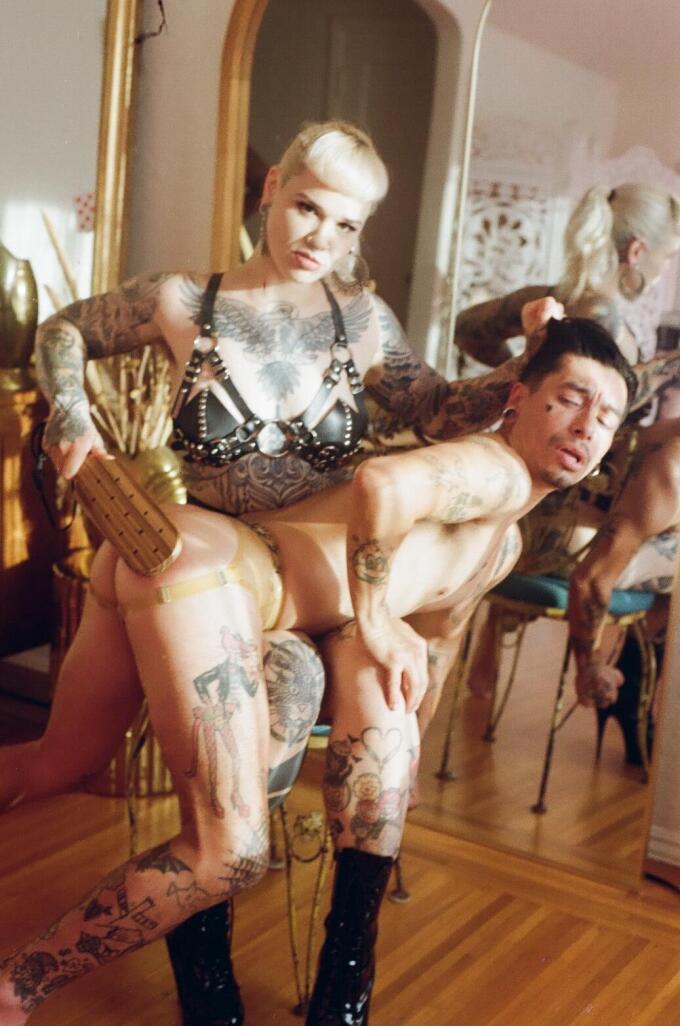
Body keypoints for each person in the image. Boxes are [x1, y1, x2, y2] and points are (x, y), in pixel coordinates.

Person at [2, 120, 543, 1026]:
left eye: (346, 225)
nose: (320, 238)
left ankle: (263, 968)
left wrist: (531, 361)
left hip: (302, 592)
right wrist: (69, 408)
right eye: (306, 208)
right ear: (270, 191)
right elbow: (63, 329)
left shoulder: (361, 321)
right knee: (64, 761)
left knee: (270, 776)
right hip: (203, 569)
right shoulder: (184, 301)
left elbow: (443, 408)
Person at [0, 315, 635, 1026]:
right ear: (517, 399)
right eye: (570, 398)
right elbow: (382, 485)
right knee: (229, 855)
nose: (587, 424)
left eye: (607, 416)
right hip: (226, 577)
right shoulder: (495, 471)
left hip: (173, 552)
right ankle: (14, 991)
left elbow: (439, 640)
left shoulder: (502, 542)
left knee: (59, 761)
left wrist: (409, 757)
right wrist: (374, 618)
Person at [453, 183, 680, 730]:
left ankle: (496, 641)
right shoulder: (607, 319)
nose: (664, 271)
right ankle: (629, 697)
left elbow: (468, 329)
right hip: (552, 528)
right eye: (668, 257)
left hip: (522, 505)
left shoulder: (551, 297)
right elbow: (616, 411)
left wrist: (522, 386)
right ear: (636, 252)